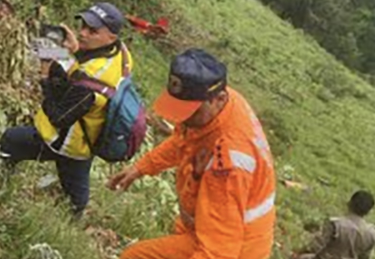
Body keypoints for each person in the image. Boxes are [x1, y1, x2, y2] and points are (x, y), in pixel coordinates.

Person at [108, 48, 276, 259]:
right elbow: (183, 141)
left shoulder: (228, 164)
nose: (182, 119)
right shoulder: (213, 107)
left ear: (219, 99)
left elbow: (219, 252)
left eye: (189, 112)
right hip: (206, 226)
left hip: (235, 248)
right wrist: (142, 167)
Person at [0, 2, 135, 216]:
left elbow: (58, 117)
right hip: (87, 140)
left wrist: (44, 76)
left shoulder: (91, 85)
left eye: (92, 31)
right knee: (76, 202)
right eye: (83, 26)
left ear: (111, 37)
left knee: (10, 141)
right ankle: (75, 212)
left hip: (64, 143)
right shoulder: (122, 54)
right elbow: (85, 72)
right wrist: (75, 51)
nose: (82, 33)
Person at [291, 191, 375, 259]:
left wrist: (299, 253)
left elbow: (315, 246)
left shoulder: (335, 225)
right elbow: (365, 257)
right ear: (368, 212)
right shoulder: (372, 233)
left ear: (350, 203)